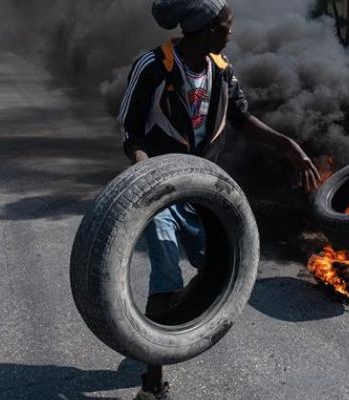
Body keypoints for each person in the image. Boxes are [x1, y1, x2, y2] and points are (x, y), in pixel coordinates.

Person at [117, 0, 321, 399]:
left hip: (205, 188)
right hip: (159, 192)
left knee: (216, 268)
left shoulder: (221, 69)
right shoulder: (154, 66)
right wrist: (144, 173)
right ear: (208, 27)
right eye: (227, 23)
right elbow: (130, 130)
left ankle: (168, 328)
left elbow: (242, 118)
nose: (232, 29)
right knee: (165, 274)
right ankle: (152, 381)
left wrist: (289, 146)